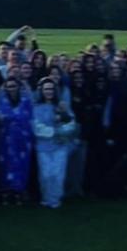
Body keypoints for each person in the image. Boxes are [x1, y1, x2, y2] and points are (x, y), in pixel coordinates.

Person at [30, 78, 78, 209]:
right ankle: (46, 198)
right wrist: (53, 132)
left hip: (60, 145)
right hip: (43, 146)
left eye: (51, 89)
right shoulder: (36, 107)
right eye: (46, 89)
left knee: (58, 174)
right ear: (41, 91)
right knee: (45, 174)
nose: (49, 91)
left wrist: (61, 131)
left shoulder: (62, 106)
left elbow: (72, 123)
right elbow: (35, 126)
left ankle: (55, 199)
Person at [0, 78, 35, 205]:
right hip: (6, 140)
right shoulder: (2, 101)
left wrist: (11, 118)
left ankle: (19, 191)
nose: (11, 89)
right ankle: (6, 192)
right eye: (9, 86)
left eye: (13, 86)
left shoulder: (26, 101)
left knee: (22, 164)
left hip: (22, 139)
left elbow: (29, 117)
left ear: (18, 87)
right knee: (6, 165)